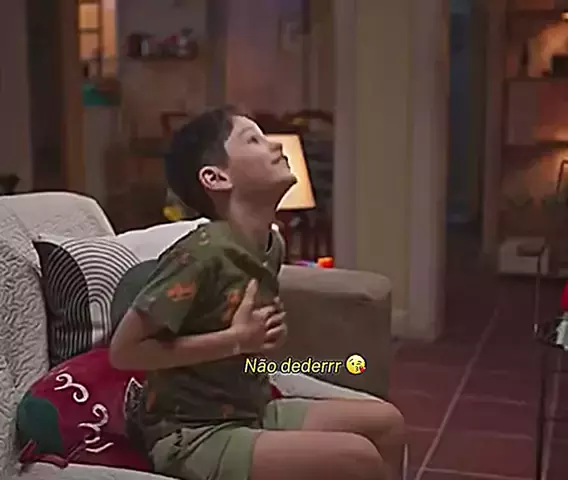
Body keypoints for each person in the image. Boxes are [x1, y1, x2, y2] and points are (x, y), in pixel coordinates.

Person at [109, 106, 405, 480]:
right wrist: (234, 340)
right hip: (192, 432)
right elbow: (123, 352)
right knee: (358, 458)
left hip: (250, 409)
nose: (276, 146)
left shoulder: (270, 244)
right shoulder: (201, 254)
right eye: (253, 139)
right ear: (216, 177)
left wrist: (259, 338)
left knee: (386, 423)